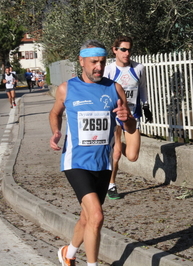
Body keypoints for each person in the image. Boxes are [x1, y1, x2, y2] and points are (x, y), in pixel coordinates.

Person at [49, 40, 136, 266]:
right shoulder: (66, 88)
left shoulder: (114, 88)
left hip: (103, 163)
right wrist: (56, 131)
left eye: (102, 62)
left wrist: (128, 120)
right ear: (81, 61)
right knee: (97, 216)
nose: (98, 67)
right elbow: (55, 113)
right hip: (75, 161)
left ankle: (68, 254)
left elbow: (129, 125)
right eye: (93, 62)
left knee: (87, 217)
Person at [103, 36, 153, 199]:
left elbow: (143, 88)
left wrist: (146, 106)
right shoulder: (109, 70)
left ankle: (118, 145)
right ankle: (111, 185)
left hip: (133, 115)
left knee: (132, 156)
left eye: (129, 49)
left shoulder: (139, 68)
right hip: (115, 115)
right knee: (116, 153)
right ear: (115, 50)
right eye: (123, 49)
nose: (126, 53)